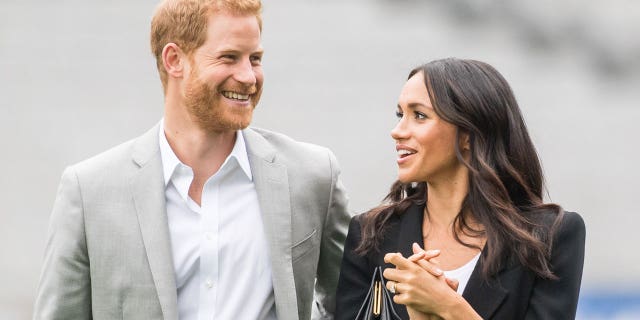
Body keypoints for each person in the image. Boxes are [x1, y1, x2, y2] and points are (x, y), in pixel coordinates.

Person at [33, 0, 351, 319]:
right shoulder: (89, 192)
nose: (249, 77)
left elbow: (351, 303)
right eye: (229, 57)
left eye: (255, 59)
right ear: (175, 60)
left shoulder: (312, 176)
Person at [335, 58, 585, 319]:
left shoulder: (550, 236)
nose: (397, 131)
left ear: (468, 133)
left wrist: (448, 306)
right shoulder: (370, 235)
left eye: (419, 115)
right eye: (400, 115)